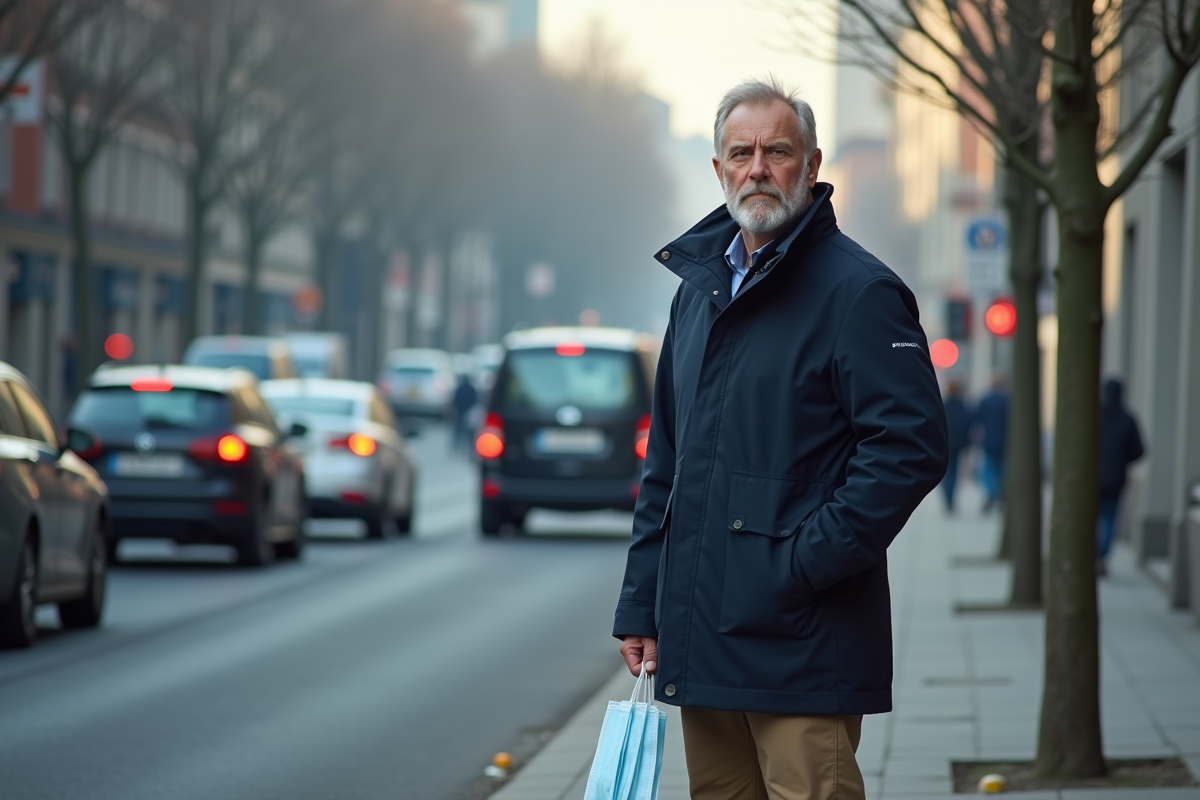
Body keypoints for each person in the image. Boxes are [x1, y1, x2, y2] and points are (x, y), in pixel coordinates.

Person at [613, 79, 949, 800]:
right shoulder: (696, 292)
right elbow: (666, 464)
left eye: (778, 151)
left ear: (812, 164)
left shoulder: (860, 291)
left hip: (806, 642)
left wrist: (799, 564)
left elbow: (911, 447)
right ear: (718, 169)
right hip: (704, 642)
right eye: (741, 153)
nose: (758, 168)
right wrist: (642, 604)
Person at [1096, 378, 1145, 576]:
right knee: (1109, 518)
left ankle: (1094, 555)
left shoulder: (1094, 416)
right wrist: (1123, 459)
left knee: (1094, 518)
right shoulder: (1127, 419)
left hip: (1093, 479)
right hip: (1116, 478)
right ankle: (1101, 557)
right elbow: (1139, 450)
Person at [973, 375, 1009, 512]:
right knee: (1001, 469)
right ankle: (998, 494)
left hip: (988, 441)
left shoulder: (985, 400)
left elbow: (977, 419)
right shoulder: (1007, 400)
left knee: (988, 469)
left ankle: (991, 493)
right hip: (1003, 441)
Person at [942, 379, 971, 513]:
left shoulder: (943, 405)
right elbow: (967, 424)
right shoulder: (962, 406)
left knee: (945, 471)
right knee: (954, 470)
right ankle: (951, 496)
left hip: (945, 443)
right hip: (958, 443)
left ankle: (947, 496)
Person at [451, 373, 478, 453]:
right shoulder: (472, 388)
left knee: (458, 429)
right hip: (468, 411)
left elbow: (455, 400)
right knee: (466, 431)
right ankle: (464, 447)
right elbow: (475, 401)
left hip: (461, 411)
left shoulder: (460, 388)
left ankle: (457, 446)